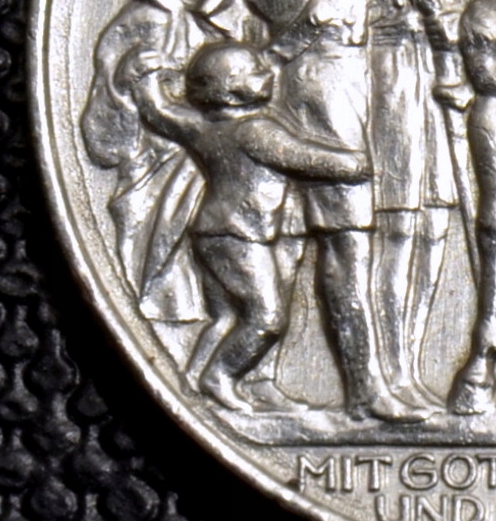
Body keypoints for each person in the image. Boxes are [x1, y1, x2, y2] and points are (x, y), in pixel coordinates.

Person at [177, 0, 416, 422]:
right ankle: (363, 389)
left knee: (338, 240)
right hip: (314, 96)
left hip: (363, 86)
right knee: (342, 242)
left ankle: (276, 375)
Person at [300, 0, 470, 410]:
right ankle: (385, 367)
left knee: (433, 223)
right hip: (377, 77)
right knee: (396, 223)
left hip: (431, 73)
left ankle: (409, 365)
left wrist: (445, 24)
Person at [130, 42, 371, 412]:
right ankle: (219, 377)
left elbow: (158, 113)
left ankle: (190, 385)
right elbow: (304, 157)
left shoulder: (200, 126)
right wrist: (354, 164)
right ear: (228, 88)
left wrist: (145, 79)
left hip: (213, 235)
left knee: (228, 317)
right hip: (239, 236)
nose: (267, 73)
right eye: (254, 70)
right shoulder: (256, 131)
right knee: (266, 319)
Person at [82, 0, 222, 322]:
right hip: (161, 162)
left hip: (191, 158)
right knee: (165, 246)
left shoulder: (186, 21)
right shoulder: (145, 22)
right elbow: (119, 108)